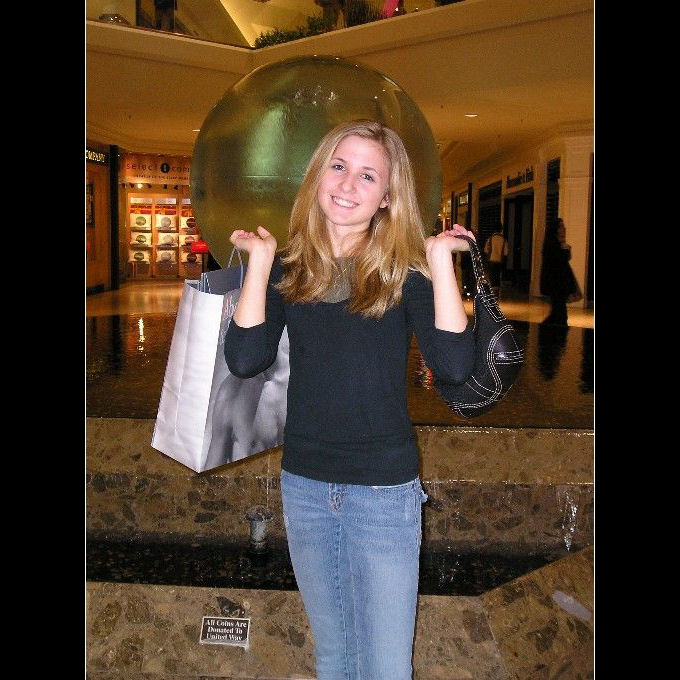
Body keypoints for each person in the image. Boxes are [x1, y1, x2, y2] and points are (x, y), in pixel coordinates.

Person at [224, 120, 475, 679]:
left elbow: (456, 369)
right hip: (306, 486)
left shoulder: (404, 274)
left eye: (367, 175)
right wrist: (260, 267)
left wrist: (440, 263)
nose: (346, 184)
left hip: (383, 492)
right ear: (318, 175)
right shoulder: (291, 269)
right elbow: (244, 359)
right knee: (334, 657)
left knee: (386, 667)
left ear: (387, 196)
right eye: (338, 167)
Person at [540, 217, 574, 326]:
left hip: (558, 284)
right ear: (556, 229)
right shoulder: (553, 244)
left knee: (558, 311)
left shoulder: (556, 243)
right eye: (561, 226)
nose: (564, 228)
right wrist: (565, 249)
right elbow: (559, 261)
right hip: (556, 283)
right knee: (559, 312)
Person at [483, 223, 508, 298]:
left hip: (491, 260)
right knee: (498, 277)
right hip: (500, 261)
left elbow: (486, 250)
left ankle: (492, 293)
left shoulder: (490, 239)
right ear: (501, 230)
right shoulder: (504, 240)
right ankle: (497, 293)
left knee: (491, 276)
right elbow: (506, 252)